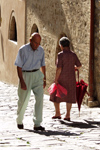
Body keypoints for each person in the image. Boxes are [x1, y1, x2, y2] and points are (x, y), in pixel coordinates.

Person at [15, 32, 46, 130]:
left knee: (40, 98)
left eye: (38, 43)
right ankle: (19, 120)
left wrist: (44, 78)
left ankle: (37, 123)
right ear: (30, 41)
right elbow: (19, 66)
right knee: (23, 99)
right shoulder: (23, 50)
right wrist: (22, 81)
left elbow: (43, 64)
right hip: (26, 75)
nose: (37, 45)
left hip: (37, 74)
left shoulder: (41, 50)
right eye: (35, 43)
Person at [50, 37, 81, 121]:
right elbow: (79, 65)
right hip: (71, 78)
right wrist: (73, 67)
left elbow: (59, 68)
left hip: (61, 79)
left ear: (61, 46)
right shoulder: (73, 54)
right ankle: (67, 115)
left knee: (56, 94)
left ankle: (57, 113)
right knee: (70, 96)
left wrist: (56, 79)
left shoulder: (60, 55)